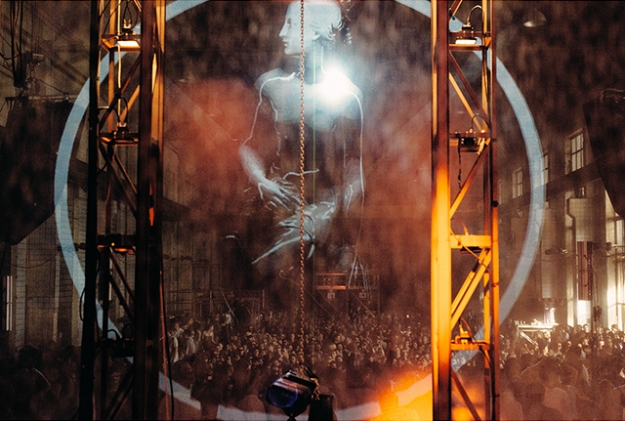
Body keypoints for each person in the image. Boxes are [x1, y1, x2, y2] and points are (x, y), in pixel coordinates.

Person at [239, 0, 364, 310]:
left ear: (317, 31)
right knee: (272, 278)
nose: (282, 33)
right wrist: (262, 182)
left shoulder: (348, 95)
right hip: (280, 209)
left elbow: (355, 166)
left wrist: (336, 210)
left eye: (292, 25)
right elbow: (248, 147)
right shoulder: (269, 86)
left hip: (324, 214)